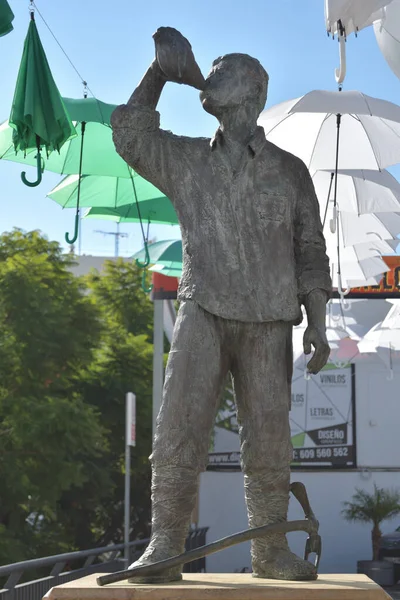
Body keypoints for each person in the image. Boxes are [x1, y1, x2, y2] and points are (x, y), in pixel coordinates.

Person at [111, 27, 332, 582]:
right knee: (177, 427)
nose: (210, 74)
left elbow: (311, 250)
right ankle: (164, 545)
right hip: (202, 308)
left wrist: (320, 322)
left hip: (269, 320)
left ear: (251, 90)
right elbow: (131, 135)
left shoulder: (289, 172)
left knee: (270, 438)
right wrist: (159, 72)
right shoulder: (186, 160)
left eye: (223, 68)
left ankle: (270, 550)